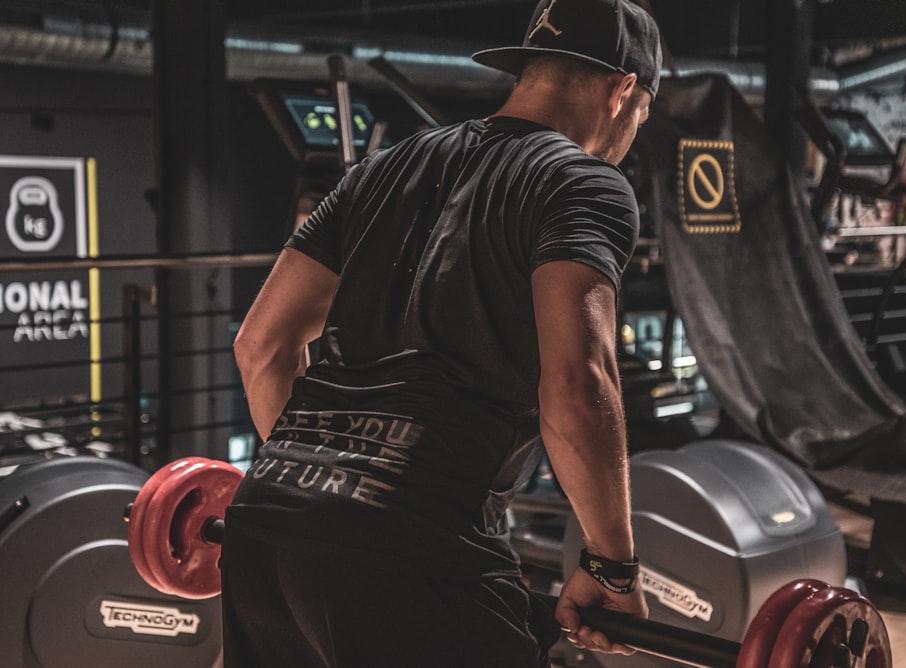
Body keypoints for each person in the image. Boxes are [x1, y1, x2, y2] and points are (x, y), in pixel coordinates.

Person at [224, 0, 663, 665]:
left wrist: (323, 485)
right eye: (643, 116)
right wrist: (611, 569)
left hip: (264, 525)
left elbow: (260, 346)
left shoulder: (379, 170)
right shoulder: (584, 183)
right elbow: (577, 384)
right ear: (623, 89)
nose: (632, 131)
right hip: (415, 548)